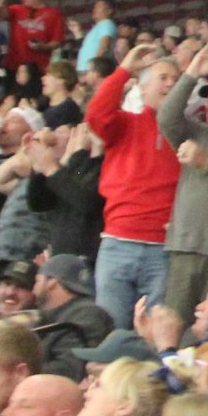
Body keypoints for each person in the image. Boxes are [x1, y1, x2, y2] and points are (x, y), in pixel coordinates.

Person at [85, 45, 180, 328]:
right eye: (163, 77)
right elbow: (96, 114)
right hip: (118, 241)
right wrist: (124, 69)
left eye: (176, 79)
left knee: (155, 335)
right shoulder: (125, 124)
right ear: (143, 87)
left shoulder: (189, 132)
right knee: (109, 332)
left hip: (165, 247)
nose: (171, 83)